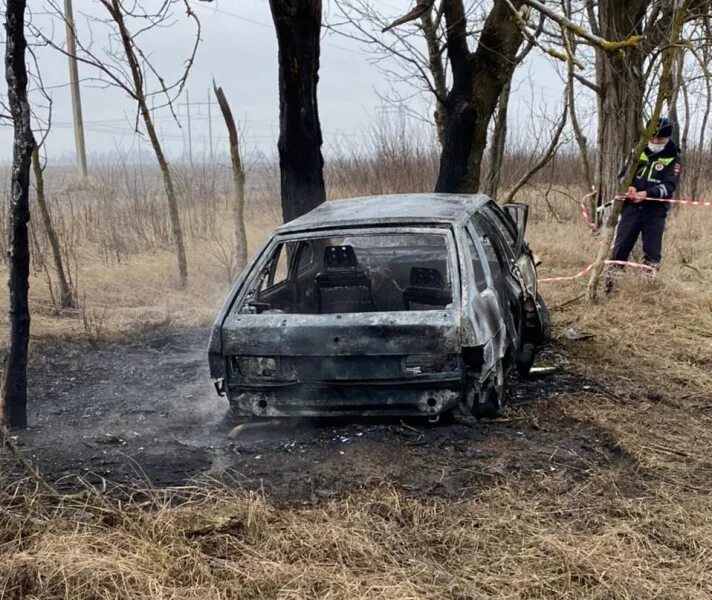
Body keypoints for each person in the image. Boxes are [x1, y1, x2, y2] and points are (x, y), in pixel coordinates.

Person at [606, 117, 682, 291]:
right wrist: (630, 187)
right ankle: (610, 286)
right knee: (620, 248)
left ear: (667, 138)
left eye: (660, 139)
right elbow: (623, 175)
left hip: (655, 213)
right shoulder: (638, 151)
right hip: (631, 209)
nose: (655, 142)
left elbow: (669, 187)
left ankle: (650, 289)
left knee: (652, 253)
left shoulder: (674, 158)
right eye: (652, 138)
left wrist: (647, 194)